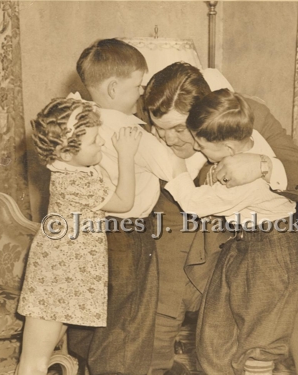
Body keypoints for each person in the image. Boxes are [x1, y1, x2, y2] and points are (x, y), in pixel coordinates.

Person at [144, 62, 298, 375]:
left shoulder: (247, 118)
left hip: (256, 254)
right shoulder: (146, 137)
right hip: (182, 261)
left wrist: (264, 165)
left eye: (180, 130)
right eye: (159, 129)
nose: (168, 140)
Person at [67, 38, 206, 375]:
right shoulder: (134, 134)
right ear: (115, 88)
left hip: (90, 231)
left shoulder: (82, 120)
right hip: (129, 237)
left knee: (97, 316)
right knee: (131, 319)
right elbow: (178, 171)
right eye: (139, 85)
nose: (144, 93)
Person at [165, 88, 298, 375]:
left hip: (271, 250)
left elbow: (195, 204)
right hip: (240, 244)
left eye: (202, 147)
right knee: (214, 334)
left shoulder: (248, 180)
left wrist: (174, 168)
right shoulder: (242, 140)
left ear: (228, 149)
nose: (199, 151)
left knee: (260, 340)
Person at [16, 97, 142, 375]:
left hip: (67, 273)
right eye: (95, 141)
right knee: (34, 362)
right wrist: (126, 155)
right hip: (58, 276)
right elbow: (123, 202)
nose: (102, 144)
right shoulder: (76, 180)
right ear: (65, 152)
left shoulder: (72, 168)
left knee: (40, 356)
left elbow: (98, 171)